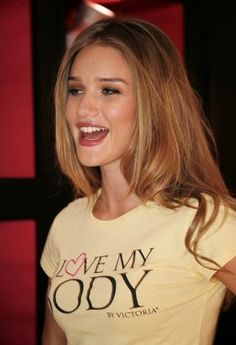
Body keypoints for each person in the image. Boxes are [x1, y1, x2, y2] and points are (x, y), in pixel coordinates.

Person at [40, 17, 236, 345]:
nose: (83, 108)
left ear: (153, 104)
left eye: (109, 90)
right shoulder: (67, 223)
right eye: (75, 90)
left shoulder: (203, 220)